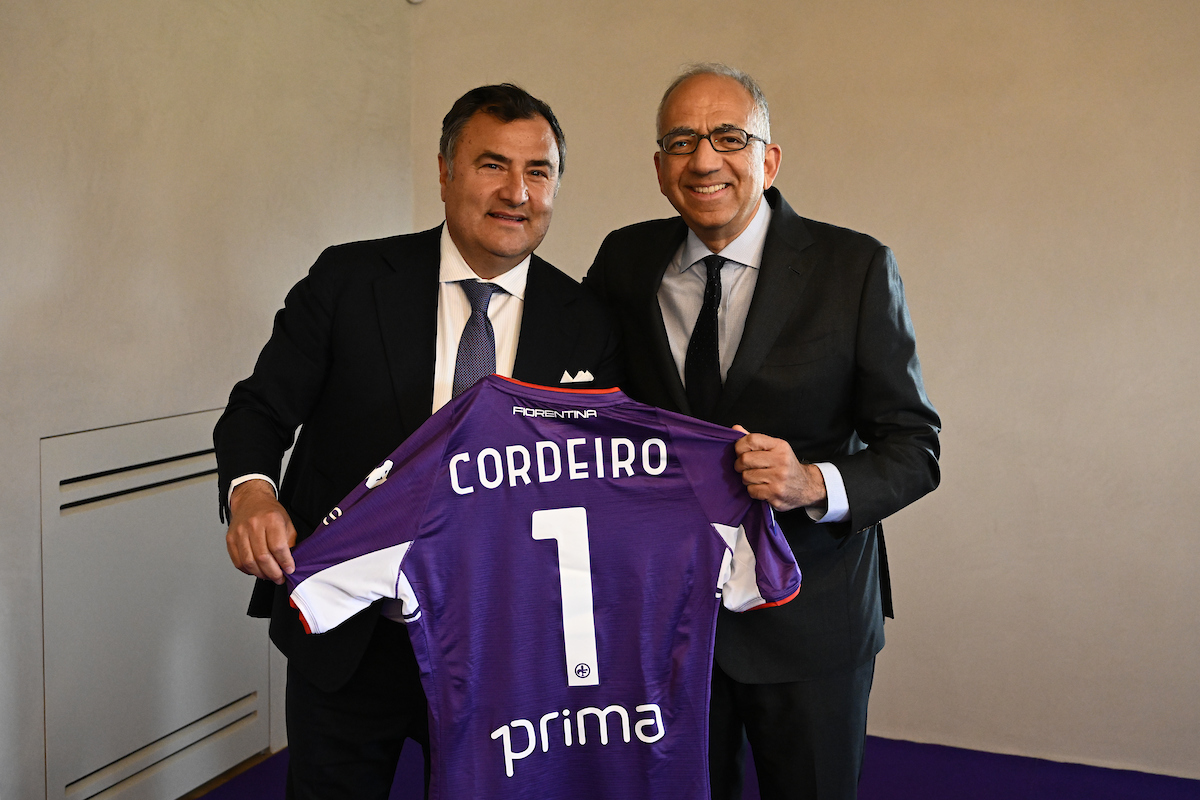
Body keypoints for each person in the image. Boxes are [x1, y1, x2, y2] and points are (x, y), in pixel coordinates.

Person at [214, 83, 621, 799]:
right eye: (492, 165)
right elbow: (258, 409)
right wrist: (251, 493)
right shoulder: (350, 279)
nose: (517, 192)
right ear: (444, 172)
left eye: (539, 171)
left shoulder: (589, 320)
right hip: (351, 633)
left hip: (502, 650)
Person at [585, 64, 941, 800]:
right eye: (681, 141)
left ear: (769, 159)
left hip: (810, 617)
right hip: (664, 623)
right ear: (659, 168)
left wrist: (812, 482)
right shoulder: (624, 260)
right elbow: (586, 403)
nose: (704, 160)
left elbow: (915, 447)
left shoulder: (855, 268)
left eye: (728, 137)